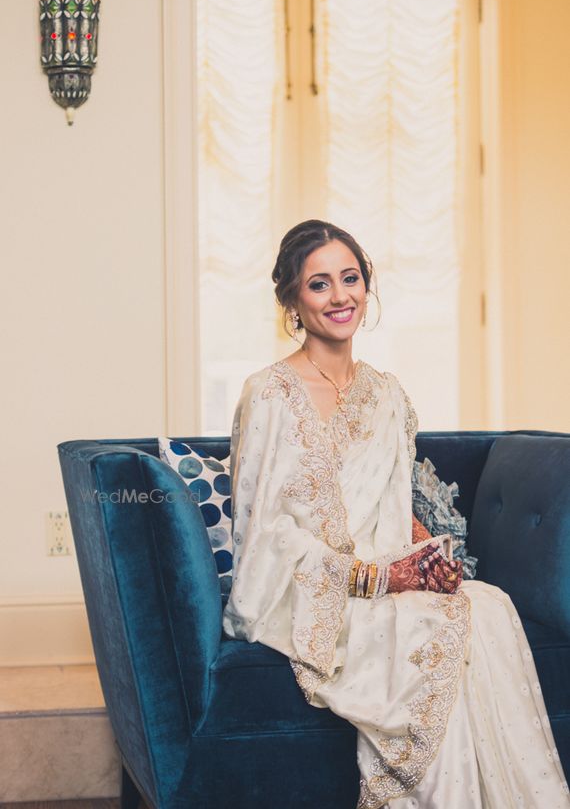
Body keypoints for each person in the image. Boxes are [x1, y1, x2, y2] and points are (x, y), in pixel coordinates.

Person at [222, 219, 569, 808]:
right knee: (434, 626)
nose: (340, 297)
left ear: (367, 285)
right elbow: (265, 535)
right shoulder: (269, 394)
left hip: (392, 577)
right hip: (313, 596)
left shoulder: (386, 394)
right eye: (320, 284)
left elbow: (391, 506)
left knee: (484, 606)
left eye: (350, 279)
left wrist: (426, 556)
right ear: (291, 300)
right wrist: (377, 578)